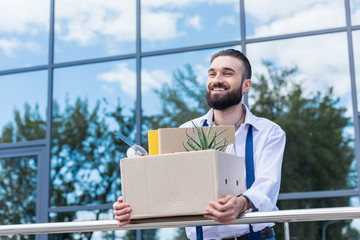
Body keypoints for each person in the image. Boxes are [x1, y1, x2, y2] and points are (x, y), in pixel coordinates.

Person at [113, 49, 286, 240]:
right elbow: (170, 189)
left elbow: (267, 185)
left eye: (227, 73)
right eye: (212, 74)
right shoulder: (187, 130)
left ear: (246, 85)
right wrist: (133, 208)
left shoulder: (269, 132)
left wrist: (242, 203)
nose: (217, 79)